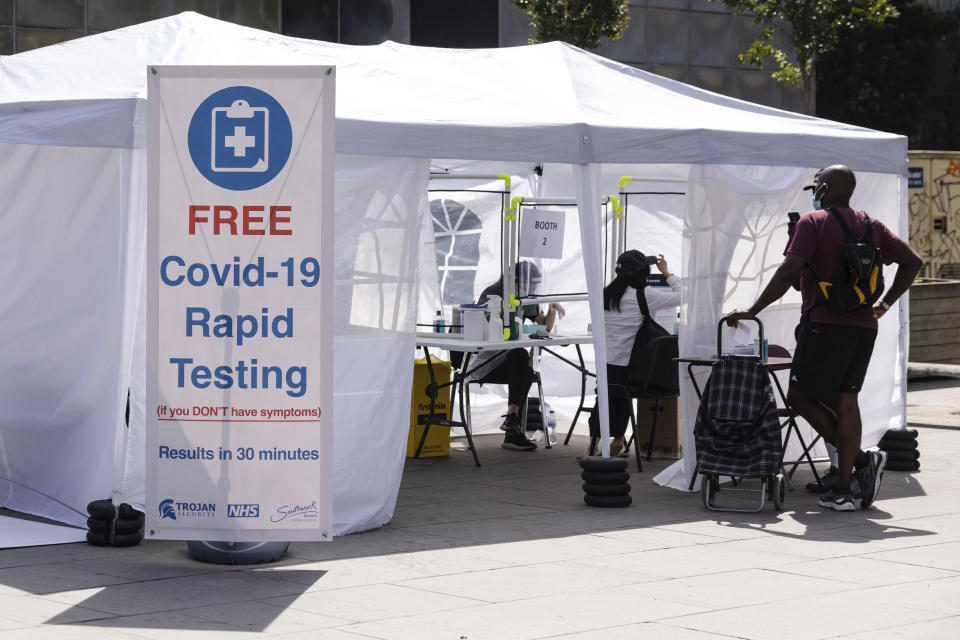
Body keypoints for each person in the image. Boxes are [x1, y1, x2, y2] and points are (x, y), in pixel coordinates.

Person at [726, 165, 923, 511]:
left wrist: (753, 310)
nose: (814, 190)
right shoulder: (870, 225)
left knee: (800, 399)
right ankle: (844, 489)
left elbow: (790, 271)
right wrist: (885, 304)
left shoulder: (813, 222)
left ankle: (861, 462)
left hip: (825, 325)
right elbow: (912, 261)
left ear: (827, 187)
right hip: (863, 326)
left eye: (816, 185)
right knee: (845, 402)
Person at [581, 250, 680, 458]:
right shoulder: (644, 294)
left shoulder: (605, 294)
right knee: (623, 396)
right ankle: (618, 439)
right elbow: (684, 296)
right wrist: (667, 274)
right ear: (644, 272)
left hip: (606, 360)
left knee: (606, 398)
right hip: (632, 363)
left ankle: (595, 445)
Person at [474, 261, 565, 451]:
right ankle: (512, 430)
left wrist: (552, 309)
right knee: (522, 359)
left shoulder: (525, 297)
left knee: (526, 368)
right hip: (485, 362)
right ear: (519, 280)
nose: (534, 288)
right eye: (532, 283)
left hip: (508, 361)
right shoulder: (493, 294)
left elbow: (544, 327)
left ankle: (512, 424)